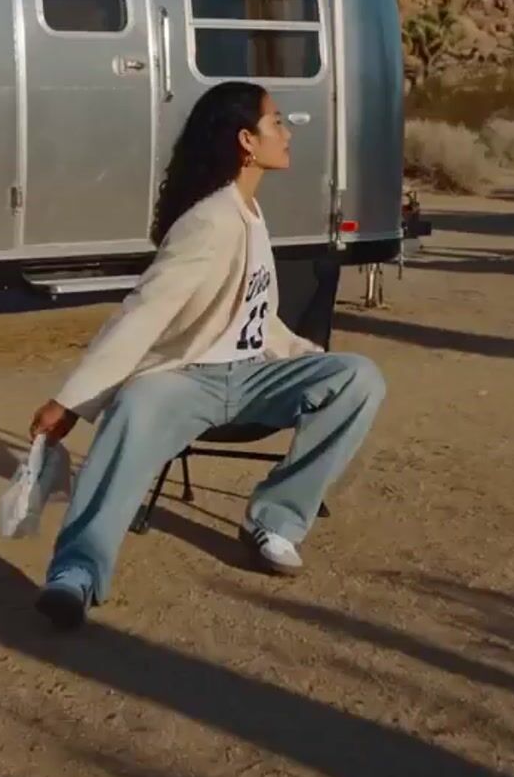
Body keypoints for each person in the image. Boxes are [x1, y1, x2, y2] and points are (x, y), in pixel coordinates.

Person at [29, 81, 386, 630]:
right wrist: (70, 401)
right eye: (277, 123)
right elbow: (143, 314)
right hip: (185, 380)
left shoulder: (249, 212)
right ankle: (75, 574)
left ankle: (275, 521)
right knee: (135, 410)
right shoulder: (208, 221)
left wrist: (305, 357)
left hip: (250, 377)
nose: (288, 133)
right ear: (247, 140)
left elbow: (257, 317)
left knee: (357, 377)